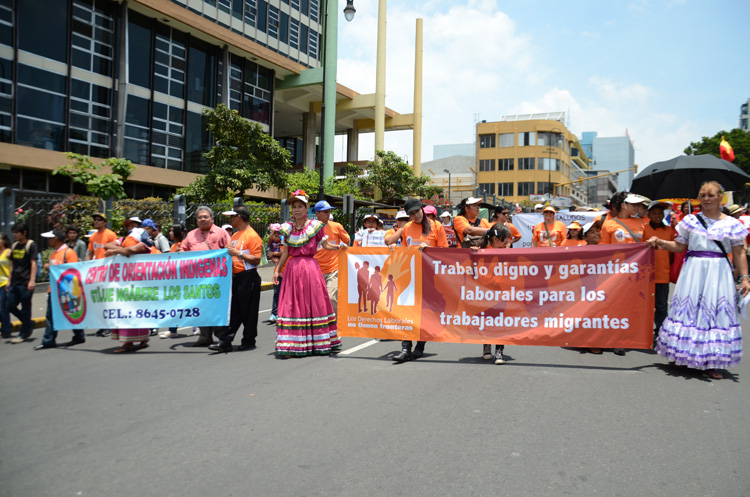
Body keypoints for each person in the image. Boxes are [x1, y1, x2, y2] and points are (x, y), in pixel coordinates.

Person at [647, 181, 749, 379]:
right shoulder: (690, 221)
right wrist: (659, 242)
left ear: (720, 197)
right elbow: (678, 246)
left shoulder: (732, 224)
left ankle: (711, 361)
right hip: (693, 269)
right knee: (689, 311)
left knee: (713, 312)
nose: (706, 199)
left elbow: (739, 253)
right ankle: (684, 356)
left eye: (710, 195)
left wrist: (745, 278)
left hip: (718, 271)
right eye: (702, 195)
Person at [273, 190, 343, 357]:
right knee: (291, 305)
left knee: (313, 304)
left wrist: (340, 247)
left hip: (310, 268)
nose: (296, 210)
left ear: (307, 208)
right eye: (294, 207)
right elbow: (286, 252)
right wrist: (277, 270)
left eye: (300, 206)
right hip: (292, 270)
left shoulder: (315, 226)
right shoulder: (288, 228)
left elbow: (326, 246)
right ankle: (290, 345)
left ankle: (317, 343)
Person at [385, 198, 448, 362]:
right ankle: (406, 348)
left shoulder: (437, 226)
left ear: (422, 209)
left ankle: (420, 345)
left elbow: (445, 252)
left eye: (416, 211)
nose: (415, 215)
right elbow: (405, 249)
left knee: (424, 313)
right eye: (411, 214)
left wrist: (429, 250)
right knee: (406, 311)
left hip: (430, 277)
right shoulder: (407, 227)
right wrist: (395, 249)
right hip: (410, 276)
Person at [209, 206, 263, 353]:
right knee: (233, 312)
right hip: (236, 278)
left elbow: (257, 259)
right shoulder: (235, 235)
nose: (230, 220)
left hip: (249, 277)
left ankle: (249, 341)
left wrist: (238, 254)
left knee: (249, 312)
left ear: (239, 217)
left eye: (232, 217)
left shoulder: (252, 236)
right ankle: (225, 341)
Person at [182, 206, 231, 347]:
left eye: (205, 217)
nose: (202, 219)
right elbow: (183, 251)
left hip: (217, 278)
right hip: (197, 279)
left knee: (216, 307)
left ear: (212, 219)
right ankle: (204, 337)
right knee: (201, 307)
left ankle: (222, 337)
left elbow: (230, 250)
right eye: (200, 217)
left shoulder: (221, 233)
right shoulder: (191, 235)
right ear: (196, 220)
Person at [34, 230, 85, 350]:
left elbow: (73, 271)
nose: (49, 241)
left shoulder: (69, 253)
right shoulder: (54, 254)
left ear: (56, 238)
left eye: (50, 238)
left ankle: (79, 335)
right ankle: (48, 340)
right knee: (50, 315)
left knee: (71, 312)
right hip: (53, 289)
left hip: (67, 290)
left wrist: (51, 267)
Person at [104, 234, 153, 353]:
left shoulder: (143, 243)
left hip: (139, 284)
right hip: (123, 284)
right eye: (129, 225)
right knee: (124, 311)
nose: (131, 229)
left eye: (133, 225)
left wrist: (115, 250)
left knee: (138, 312)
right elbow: (106, 245)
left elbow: (132, 250)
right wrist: (119, 249)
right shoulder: (124, 240)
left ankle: (139, 340)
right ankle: (128, 342)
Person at [474, 223, 512, 364]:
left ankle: (499, 351)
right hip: (487, 294)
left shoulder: (507, 252)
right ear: (495, 239)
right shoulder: (482, 251)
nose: (507, 244)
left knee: (500, 323)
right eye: (505, 241)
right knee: (487, 322)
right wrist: (473, 252)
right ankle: (487, 346)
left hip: (502, 293)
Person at [643, 201, 675, 345]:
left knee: (661, 306)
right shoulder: (643, 229)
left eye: (660, 213)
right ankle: (644, 332)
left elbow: (673, 254)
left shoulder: (669, 231)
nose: (657, 216)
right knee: (646, 307)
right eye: (654, 213)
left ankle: (661, 333)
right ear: (648, 215)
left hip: (663, 275)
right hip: (646, 277)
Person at [313, 200, 350, 317]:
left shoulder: (336, 226)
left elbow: (347, 241)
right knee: (316, 301)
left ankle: (335, 327)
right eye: (325, 212)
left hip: (333, 269)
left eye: (329, 211)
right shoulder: (311, 228)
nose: (328, 214)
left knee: (331, 298)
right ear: (317, 213)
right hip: (315, 270)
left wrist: (343, 250)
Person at [6, 223, 37, 344]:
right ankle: (28, 323)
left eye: (16, 232)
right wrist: (9, 280)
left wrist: (32, 280)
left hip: (25, 282)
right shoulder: (14, 246)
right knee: (9, 305)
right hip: (14, 281)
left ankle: (24, 333)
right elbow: (12, 265)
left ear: (24, 232)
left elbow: (33, 263)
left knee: (25, 308)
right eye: (13, 232)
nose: (14, 235)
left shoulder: (31, 245)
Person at [159, 223, 186, 339]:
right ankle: (172, 329)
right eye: (169, 230)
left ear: (180, 233)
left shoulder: (184, 244)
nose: (170, 233)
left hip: (185, 280)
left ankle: (197, 326)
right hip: (175, 280)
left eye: (172, 231)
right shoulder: (173, 246)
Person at [265, 224, 283, 324]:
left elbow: (285, 252)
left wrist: (274, 254)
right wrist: (273, 230)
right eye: (274, 236)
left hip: (287, 271)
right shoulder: (271, 243)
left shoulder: (284, 241)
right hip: (278, 271)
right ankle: (274, 314)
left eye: (278, 235)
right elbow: (270, 250)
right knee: (276, 293)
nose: (276, 238)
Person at [0, 233, 11, 339]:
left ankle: (6, 329)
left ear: (4, 240)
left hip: (5, 282)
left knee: (3, 307)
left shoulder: (8, 252)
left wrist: (10, 281)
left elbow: (12, 267)